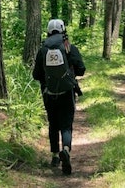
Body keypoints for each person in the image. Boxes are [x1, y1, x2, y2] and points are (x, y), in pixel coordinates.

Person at [33, 18, 86, 175]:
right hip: (67, 92)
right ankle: (66, 149)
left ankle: (55, 156)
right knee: (66, 124)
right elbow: (81, 69)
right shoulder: (68, 46)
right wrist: (69, 74)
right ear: (63, 30)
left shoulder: (43, 49)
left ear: (48, 31)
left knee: (53, 124)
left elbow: (36, 74)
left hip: (49, 94)